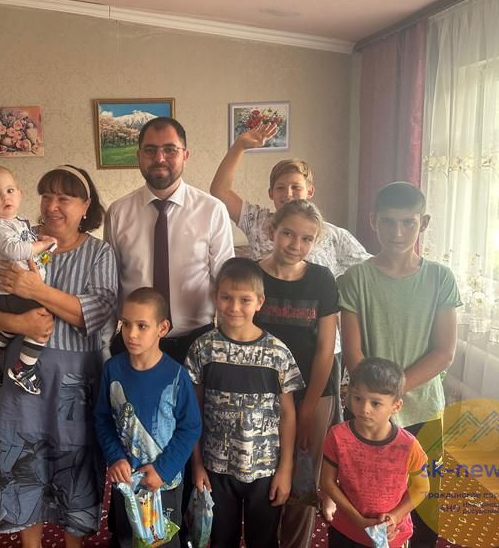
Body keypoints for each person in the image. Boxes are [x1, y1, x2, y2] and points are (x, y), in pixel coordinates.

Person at [0, 165, 117, 548]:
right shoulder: (19, 238)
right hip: (22, 381)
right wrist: (18, 322)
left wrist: (35, 290)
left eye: (64, 198)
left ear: (85, 205)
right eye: (47, 196)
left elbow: (97, 312)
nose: (52, 206)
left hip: (75, 384)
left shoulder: (99, 253)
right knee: (23, 465)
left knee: (76, 467)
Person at [210, 124, 370, 429]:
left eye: (296, 187)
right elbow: (219, 192)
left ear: (309, 191)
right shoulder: (259, 220)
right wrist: (240, 146)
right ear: (271, 194)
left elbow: (367, 271)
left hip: (318, 349)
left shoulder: (331, 234)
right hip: (265, 350)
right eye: (281, 188)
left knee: (314, 435)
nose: (288, 194)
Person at [338, 182, 461, 548]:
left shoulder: (440, 278)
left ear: (424, 223)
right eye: (388, 222)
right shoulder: (355, 279)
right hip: (368, 411)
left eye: (408, 223)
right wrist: (378, 402)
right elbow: (353, 353)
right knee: (367, 499)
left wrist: (392, 394)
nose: (397, 232)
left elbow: (444, 352)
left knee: (425, 499)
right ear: (373, 221)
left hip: (423, 409)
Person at [186, 258, 304, 548]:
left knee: (263, 540)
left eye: (244, 299)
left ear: (259, 301)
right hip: (215, 468)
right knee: (219, 539)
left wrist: (285, 468)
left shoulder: (277, 353)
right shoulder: (203, 348)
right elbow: (192, 412)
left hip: (265, 469)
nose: (234, 307)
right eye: (226, 297)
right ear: (215, 297)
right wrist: (197, 465)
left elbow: (288, 415)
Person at [105, 116, 235, 365]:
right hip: (134, 344)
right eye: (150, 150)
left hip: (197, 343)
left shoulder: (212, 210)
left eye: (170, 150)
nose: (160, 158)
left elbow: (226, 283)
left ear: (185, 155)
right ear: (138, 155)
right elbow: (112, 285)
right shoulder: (118, 213)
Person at [254, 200, 339, 548]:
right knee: (264, 476)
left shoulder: (321, 279)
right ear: (272, 230)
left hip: (313, 392)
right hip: (259, 394)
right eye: (288, 233)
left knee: (303, 480)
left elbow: (325, 350)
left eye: (307, 238)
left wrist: (307, 408)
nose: (295, 245)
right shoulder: (251, 274)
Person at [95, 287, 201, 548]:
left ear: (162, 328)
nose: (131, 334)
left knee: (162, 541)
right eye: (126, 324)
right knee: (126, 539)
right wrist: (115, 457)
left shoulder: (177, 377)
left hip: (164, 484)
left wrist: (163, 470)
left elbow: (190, 427)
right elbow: (102, 419)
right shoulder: (112, 369)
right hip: (126, 482)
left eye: (142, 326)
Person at [320, 357, 430, 548]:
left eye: (375, 403)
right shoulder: (337, 436)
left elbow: (422, 487)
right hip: (346, 530)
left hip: (391, 535)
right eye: (358, 398)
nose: (364, 409)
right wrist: (358, 520)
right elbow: (327, 482)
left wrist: (395, 517)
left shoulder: (409, 445)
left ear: (396, 406)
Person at [0, 164, 57, 394]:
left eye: (9, 191)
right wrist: (43, 245)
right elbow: (18, 251)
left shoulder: (17, 222)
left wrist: (42, 244)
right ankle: (23, 369)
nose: (4, 197)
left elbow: (30, 250)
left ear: (20, 194)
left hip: (9, 293)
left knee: (6, 331)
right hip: (10, 292)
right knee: (43, 324)